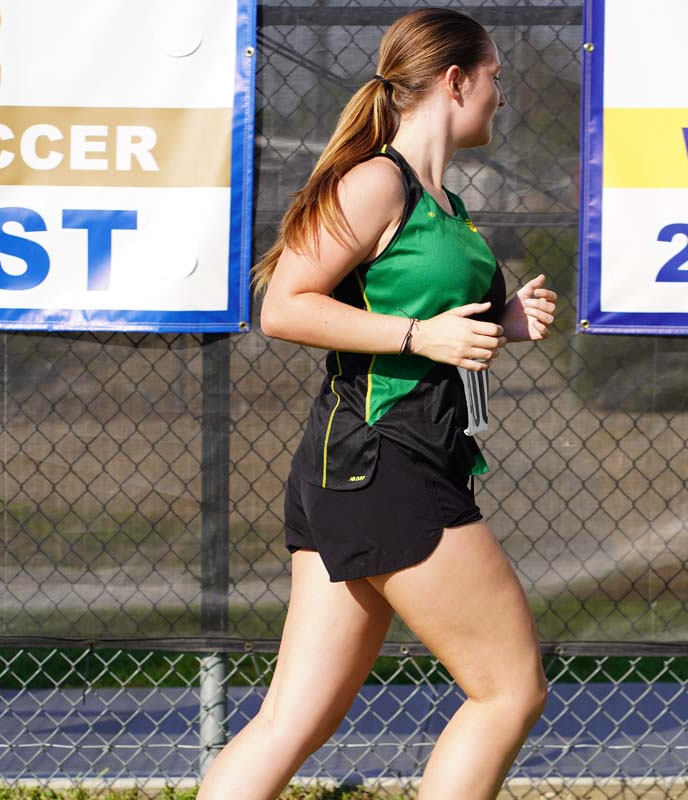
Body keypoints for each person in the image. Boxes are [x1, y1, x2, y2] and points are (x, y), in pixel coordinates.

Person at [196, 8, 558, 799]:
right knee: (509, 689)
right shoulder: (376, 180)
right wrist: (418, 338)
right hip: (383, 467)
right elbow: (285, 307)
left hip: (368, 470)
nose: (502, 93)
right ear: (455, 80)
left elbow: (430, 326)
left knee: (297, 717)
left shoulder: (445, 203)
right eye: (495, 76)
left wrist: (501, 325)